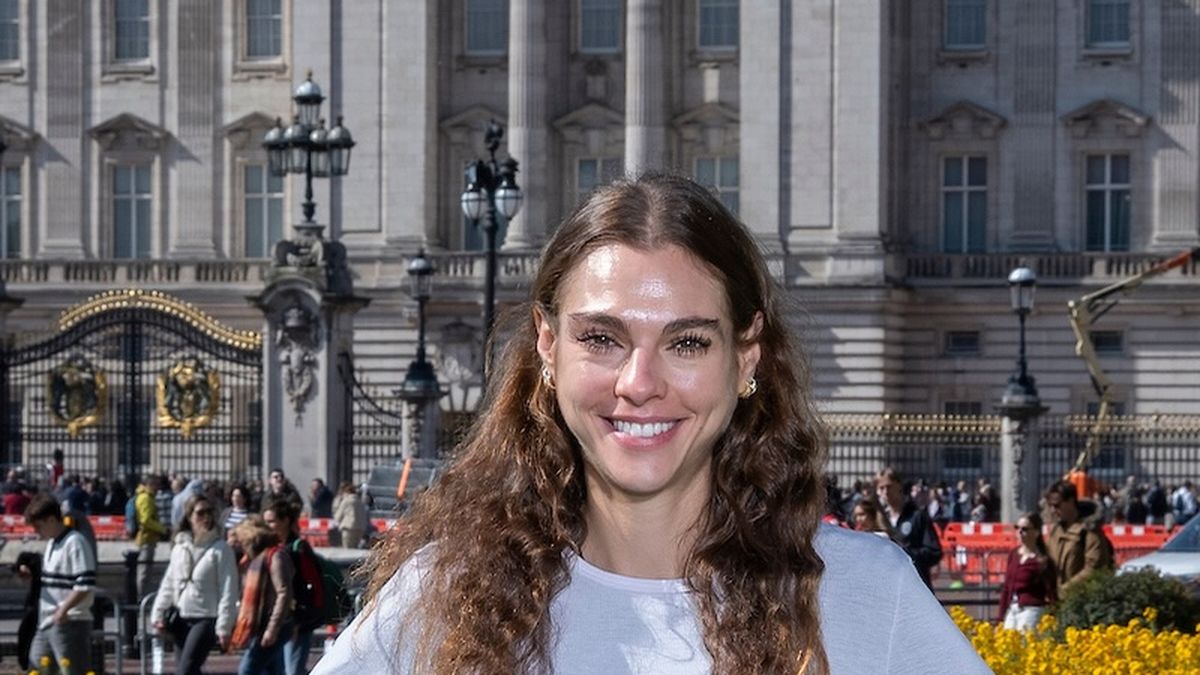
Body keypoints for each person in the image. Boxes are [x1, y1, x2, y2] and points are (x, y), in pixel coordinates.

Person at [314, 174, 986, 673]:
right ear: (548, 345)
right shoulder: (440, 598)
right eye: (601, 338)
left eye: (687, 342)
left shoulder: (865, 595)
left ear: (745, 355)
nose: (639, 383)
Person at [151, 495, 240, 675]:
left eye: (209, 512)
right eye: (200, 513)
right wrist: (158, 614)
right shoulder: (180, 547)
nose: (206, 517)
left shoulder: (221, 549)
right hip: (181, 617)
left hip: (206, 618)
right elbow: (169, 583)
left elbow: (228, 590)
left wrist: (224, 626)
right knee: (188, 670)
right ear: (189, 516)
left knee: (186, 670)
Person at [24, 493, 96, 675]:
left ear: (51, 520)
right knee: (36, 668)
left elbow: (85, 584)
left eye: (38, 526)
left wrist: (63, 610)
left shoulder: (75, 542)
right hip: (47, 620)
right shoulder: (51, 544)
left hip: (69, 621)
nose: (36, 531)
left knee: (71, 670)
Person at [231, 516, 294, 675]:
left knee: (247, 669)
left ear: (252, 539)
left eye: (244, 541)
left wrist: (272, 629)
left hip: (275, 624)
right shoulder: (254, 559)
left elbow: (284, 593)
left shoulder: (275, 556)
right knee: (273, 670)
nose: (242, 546)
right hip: (262, 624)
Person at [264, 498, 317, 675]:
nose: (267, 526)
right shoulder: (271, 548)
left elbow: (304, 588)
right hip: (277, 620)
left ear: (285, 521)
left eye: (271, 521)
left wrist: (297, 622)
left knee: (292, 671)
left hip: (296, 621)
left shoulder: (296, 549)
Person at [876, 466, 944, 588]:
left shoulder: (917, 516)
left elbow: (934, 552)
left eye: (889, 487)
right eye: (881, 488)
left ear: (899, 486)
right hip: (888, 587)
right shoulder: (879, 519)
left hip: (915, 586)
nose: (886, 492)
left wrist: (903, 553)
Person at [1045, 480, 1113, 596]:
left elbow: (1093, 569)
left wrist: (1064, 590)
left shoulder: (1089, 531)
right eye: (1050, 506)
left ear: (1071, 501)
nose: (1053, 510)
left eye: (1057, 505)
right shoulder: (1056, 531)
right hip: (1056, 599)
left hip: (1081, 600)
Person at [998, 512, 1056, 632]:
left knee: (1024, 641)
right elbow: (1007, 588)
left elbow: (1051, 591)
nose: (1019, 532)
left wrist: (1054, 616)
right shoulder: (1013, 554)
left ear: (1036, 532)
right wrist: (1000, 618)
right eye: (1017, 528)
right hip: (1012, 609)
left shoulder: (1042, 560)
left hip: (1031, 610)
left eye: (1024, 529)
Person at [134, 473, 170, 601]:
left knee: (146, 568)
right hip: (147, 537)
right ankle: (141, 595)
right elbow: (146, 520)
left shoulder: (146, 497)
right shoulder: (146, 498)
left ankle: (143, 594)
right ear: (150, 484)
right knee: (144, 569)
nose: (158, 487)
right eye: (156, 484)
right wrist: (162, 529)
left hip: (148, 537)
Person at [332, 481, 367, 549]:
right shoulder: (360, 501)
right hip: (360, 528)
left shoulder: (346, 500)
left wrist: (336, 520)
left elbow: (339, 514)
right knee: (355, 548)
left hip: (348, 527)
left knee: (348, 549)